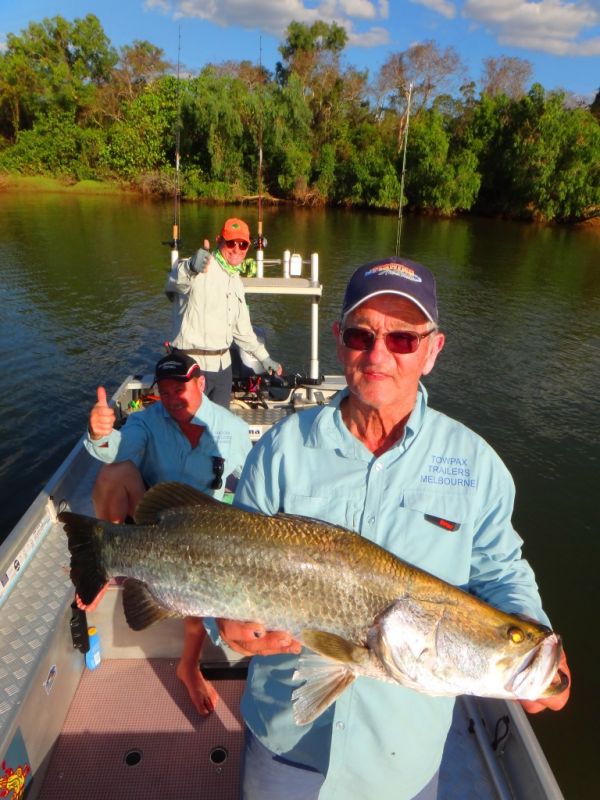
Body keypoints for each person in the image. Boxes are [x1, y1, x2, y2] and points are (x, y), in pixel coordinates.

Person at [213, 256, 571, 800]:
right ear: (338, 341)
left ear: (433, 349)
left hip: (401, 758)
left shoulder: (477, 465)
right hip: (285, 740)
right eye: (361, 335)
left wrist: (530, 629)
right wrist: (227, 622)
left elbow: (500, 569)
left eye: (403, 339)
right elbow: (230, 555)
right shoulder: (280, 451)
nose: (378, 355)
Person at [84, 350, 252, 717]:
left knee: (193, 575)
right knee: (114, 474)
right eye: (166, 389)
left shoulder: (233, 429)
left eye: (182, 387)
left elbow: (243, 494)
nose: (174, 397)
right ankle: (104, 562)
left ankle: (188, 665)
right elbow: (118, 449)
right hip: (153, 519)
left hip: (204, 529)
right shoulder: (146, 422)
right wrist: (100, 435)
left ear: (201, 383)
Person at [165, 217, 283, 409]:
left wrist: (264, 357)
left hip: (223, 370)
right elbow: (173, 284)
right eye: (231, 243)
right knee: (188, 429)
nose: (237, 249)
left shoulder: (236, 280)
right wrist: (190, 267)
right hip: (191, 366)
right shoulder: (198, 266)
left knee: (218, 429)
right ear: (219, 241)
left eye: (243, 244)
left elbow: (242, 330)